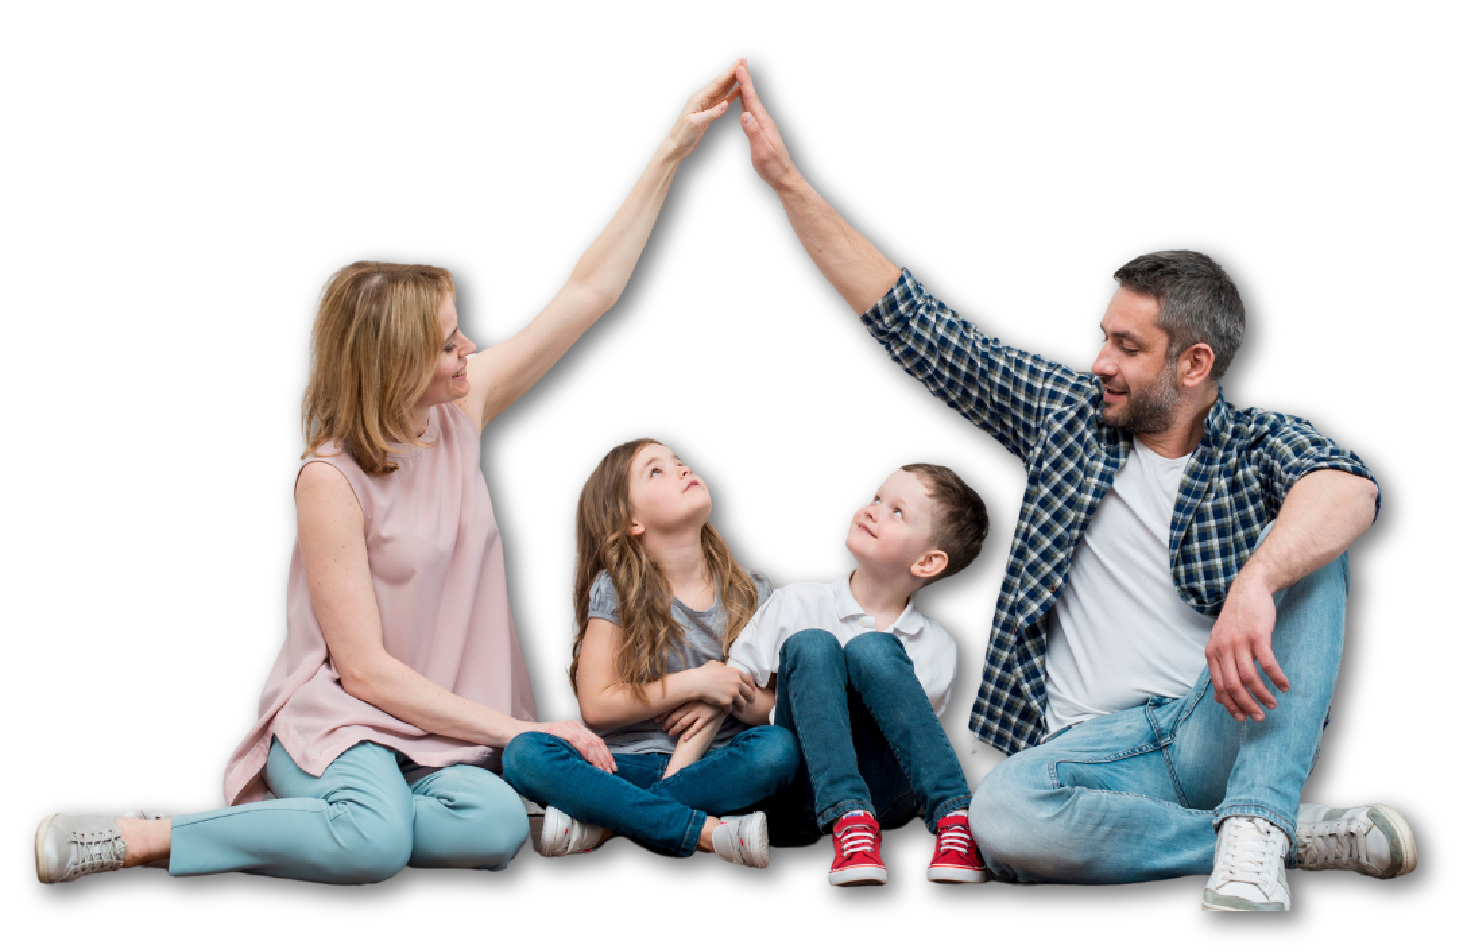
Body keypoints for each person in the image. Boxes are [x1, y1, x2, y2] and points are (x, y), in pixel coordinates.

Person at [33, 64, 744, 886]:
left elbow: (589, 291)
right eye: (446, 343)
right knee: (375, 843)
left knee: (493, 831)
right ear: (394, 363)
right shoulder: (328, 480)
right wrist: (520, 732)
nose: (468, 349)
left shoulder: (459, 412)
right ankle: (152, 836)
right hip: (349, 719)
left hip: (446, 730)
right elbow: (365, 671)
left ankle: (348, 820)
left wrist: (671, 151)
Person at [731, 62, 1416, 911]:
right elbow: (916, 323)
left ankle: (1255, 814)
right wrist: (786, 181)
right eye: (1104, 337)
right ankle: (1273, 834)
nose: (1100, 361)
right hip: (1089, 754)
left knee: (1316, 547)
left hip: (1212, 727)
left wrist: (1257, 580)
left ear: (1194, 364)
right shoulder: (1067, 415)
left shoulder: (1254, 445)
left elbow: (1350, 490)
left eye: (1128, 347)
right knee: (1001, 818)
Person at [503, 439, 801, 867]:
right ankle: (704, 831)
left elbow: (773, 708)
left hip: (716, 767)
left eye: (679, 462)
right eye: (656, 471)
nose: (682, 469)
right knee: (524, 753)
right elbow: (597, 707)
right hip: (624, 765)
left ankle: (609, 823)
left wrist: (729, 691)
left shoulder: (753, 591)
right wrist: (697, 681)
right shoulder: (615, 589)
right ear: (632, 521)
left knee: (777, 749)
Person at [729, 464, 990, 887]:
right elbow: (736, 687)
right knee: (812, 644)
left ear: (927, 562)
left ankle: (954, 818)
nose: (872, 510)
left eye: (897, 512)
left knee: (872, 649)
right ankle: (850, 819)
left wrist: (822, 695)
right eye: (877, 498)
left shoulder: (936, 644)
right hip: (804, 790)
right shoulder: (797, 601)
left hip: (886, 791)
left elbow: (906, 739)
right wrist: (801, 699)